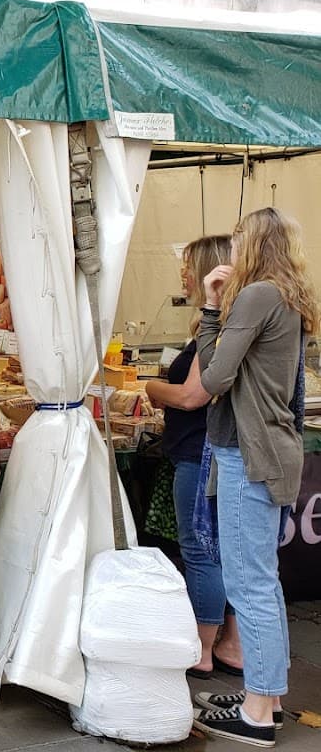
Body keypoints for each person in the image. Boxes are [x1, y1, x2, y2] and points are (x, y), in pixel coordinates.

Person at [191, 208, 318, 748]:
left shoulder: (257, 295)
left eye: (238, 237)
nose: (231, 247)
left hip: (251, 453)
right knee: (262, 581)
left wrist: (210, 308)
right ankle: (265, 694)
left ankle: (259, 711)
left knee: (250, 585)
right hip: (271, 449)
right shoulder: (289, 298)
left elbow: (216, 377)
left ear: (253, 244)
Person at [143, 234, 245, 678]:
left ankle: (202, 651)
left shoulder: (219, 326)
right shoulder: (234, 321)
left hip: (202, 454)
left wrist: (151, 388)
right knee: (228, 552)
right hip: (218, 453)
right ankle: (232, 645)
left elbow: (191, 396)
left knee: (201, 552)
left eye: (187, 266)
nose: (181, 274)